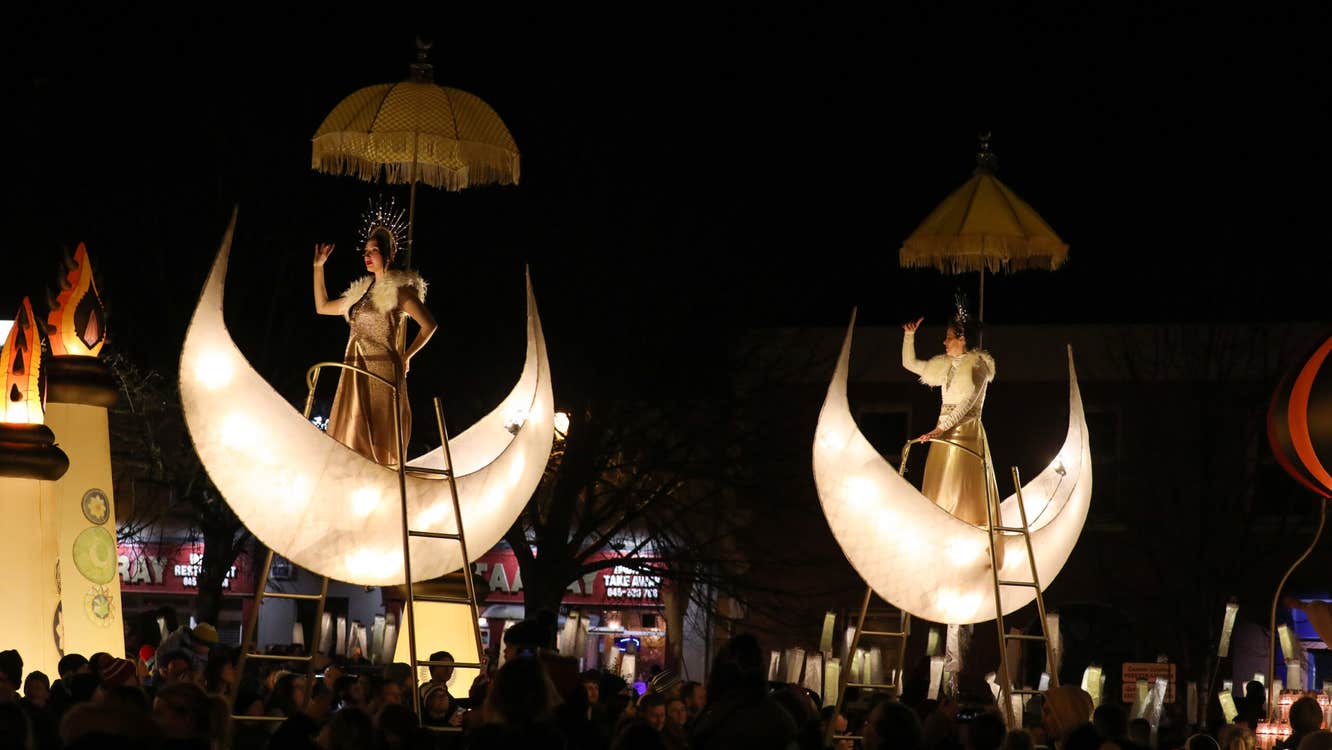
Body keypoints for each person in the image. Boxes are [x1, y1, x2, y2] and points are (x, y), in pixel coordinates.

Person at [312, 198, 436, 466]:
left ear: (389, 255)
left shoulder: (398, 291)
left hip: (383, 372)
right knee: (353, 437)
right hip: (355, 370)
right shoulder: (360, 294)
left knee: (379, 441)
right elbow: (322, 307)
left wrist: (407, 356)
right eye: (365, 250)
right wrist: (318, 268)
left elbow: (429, 326)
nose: (367, 255)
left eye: (374, 250)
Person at [901, 294, 1003, 566]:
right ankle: (940, 544)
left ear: (963, 340)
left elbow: (967, 402)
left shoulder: (979, 366)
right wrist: (909, 337)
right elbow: (910, 365)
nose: (945, 342)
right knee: (941, 489)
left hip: (965, 435)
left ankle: (971, 546)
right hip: (943, 435)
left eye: (950, 338)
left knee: (963, 492)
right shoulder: (946, 365)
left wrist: (940, 428)